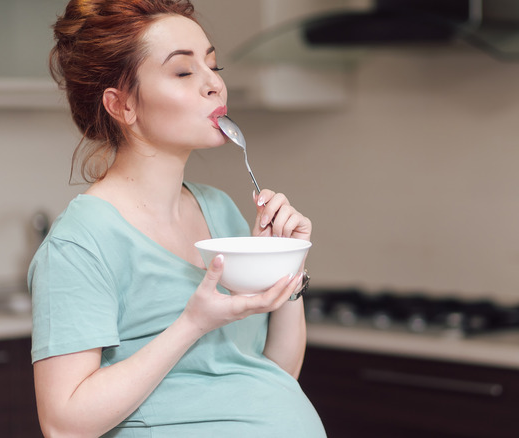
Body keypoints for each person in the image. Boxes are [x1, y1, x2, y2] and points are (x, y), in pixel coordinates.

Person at [27, 0, 325, 436]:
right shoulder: (80, 244)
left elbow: (273, 373)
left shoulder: (219, 209)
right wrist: (193, 323)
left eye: (214, 68)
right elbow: (64, 425)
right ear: (123, 105)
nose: (214, 87)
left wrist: (286, 263)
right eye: (184, 72)